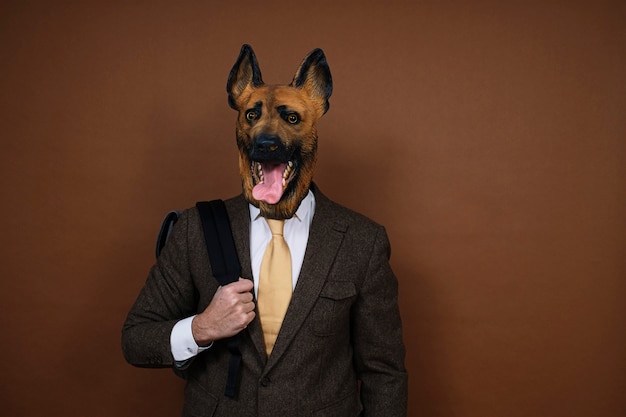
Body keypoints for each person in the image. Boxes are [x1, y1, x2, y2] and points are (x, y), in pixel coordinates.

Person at [122, 45, 407, 417]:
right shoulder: (196, 229)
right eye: (253, 116)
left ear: (316, 112)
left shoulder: (362, 242)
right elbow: (136, 340)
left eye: (290, 118)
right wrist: (201, 327)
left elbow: (384, 372)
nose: (266, 135)